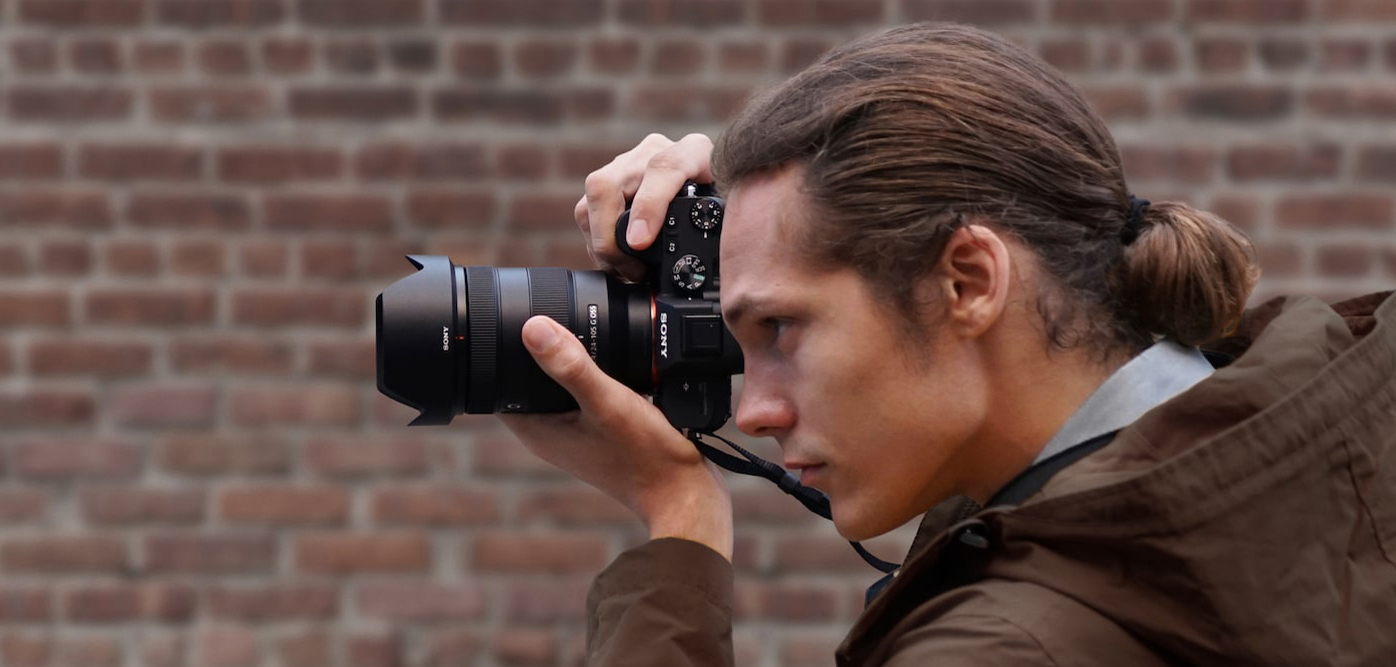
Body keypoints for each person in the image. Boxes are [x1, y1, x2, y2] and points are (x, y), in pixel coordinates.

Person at [500, 23, 1396, 666]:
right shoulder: (1333, 433)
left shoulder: (1002, 644)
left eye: (780, 328)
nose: (756, 410)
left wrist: (678, 522)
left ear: (968, 280)